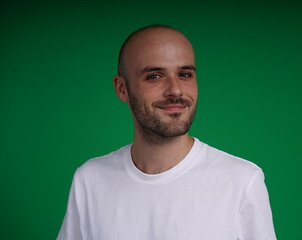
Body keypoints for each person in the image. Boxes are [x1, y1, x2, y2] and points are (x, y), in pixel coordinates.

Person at [57, 25, 277, 240]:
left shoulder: (242, 181)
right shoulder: (90, 179)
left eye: (184, 74)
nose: (175, 90)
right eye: (154, 76)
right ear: (122, 88)